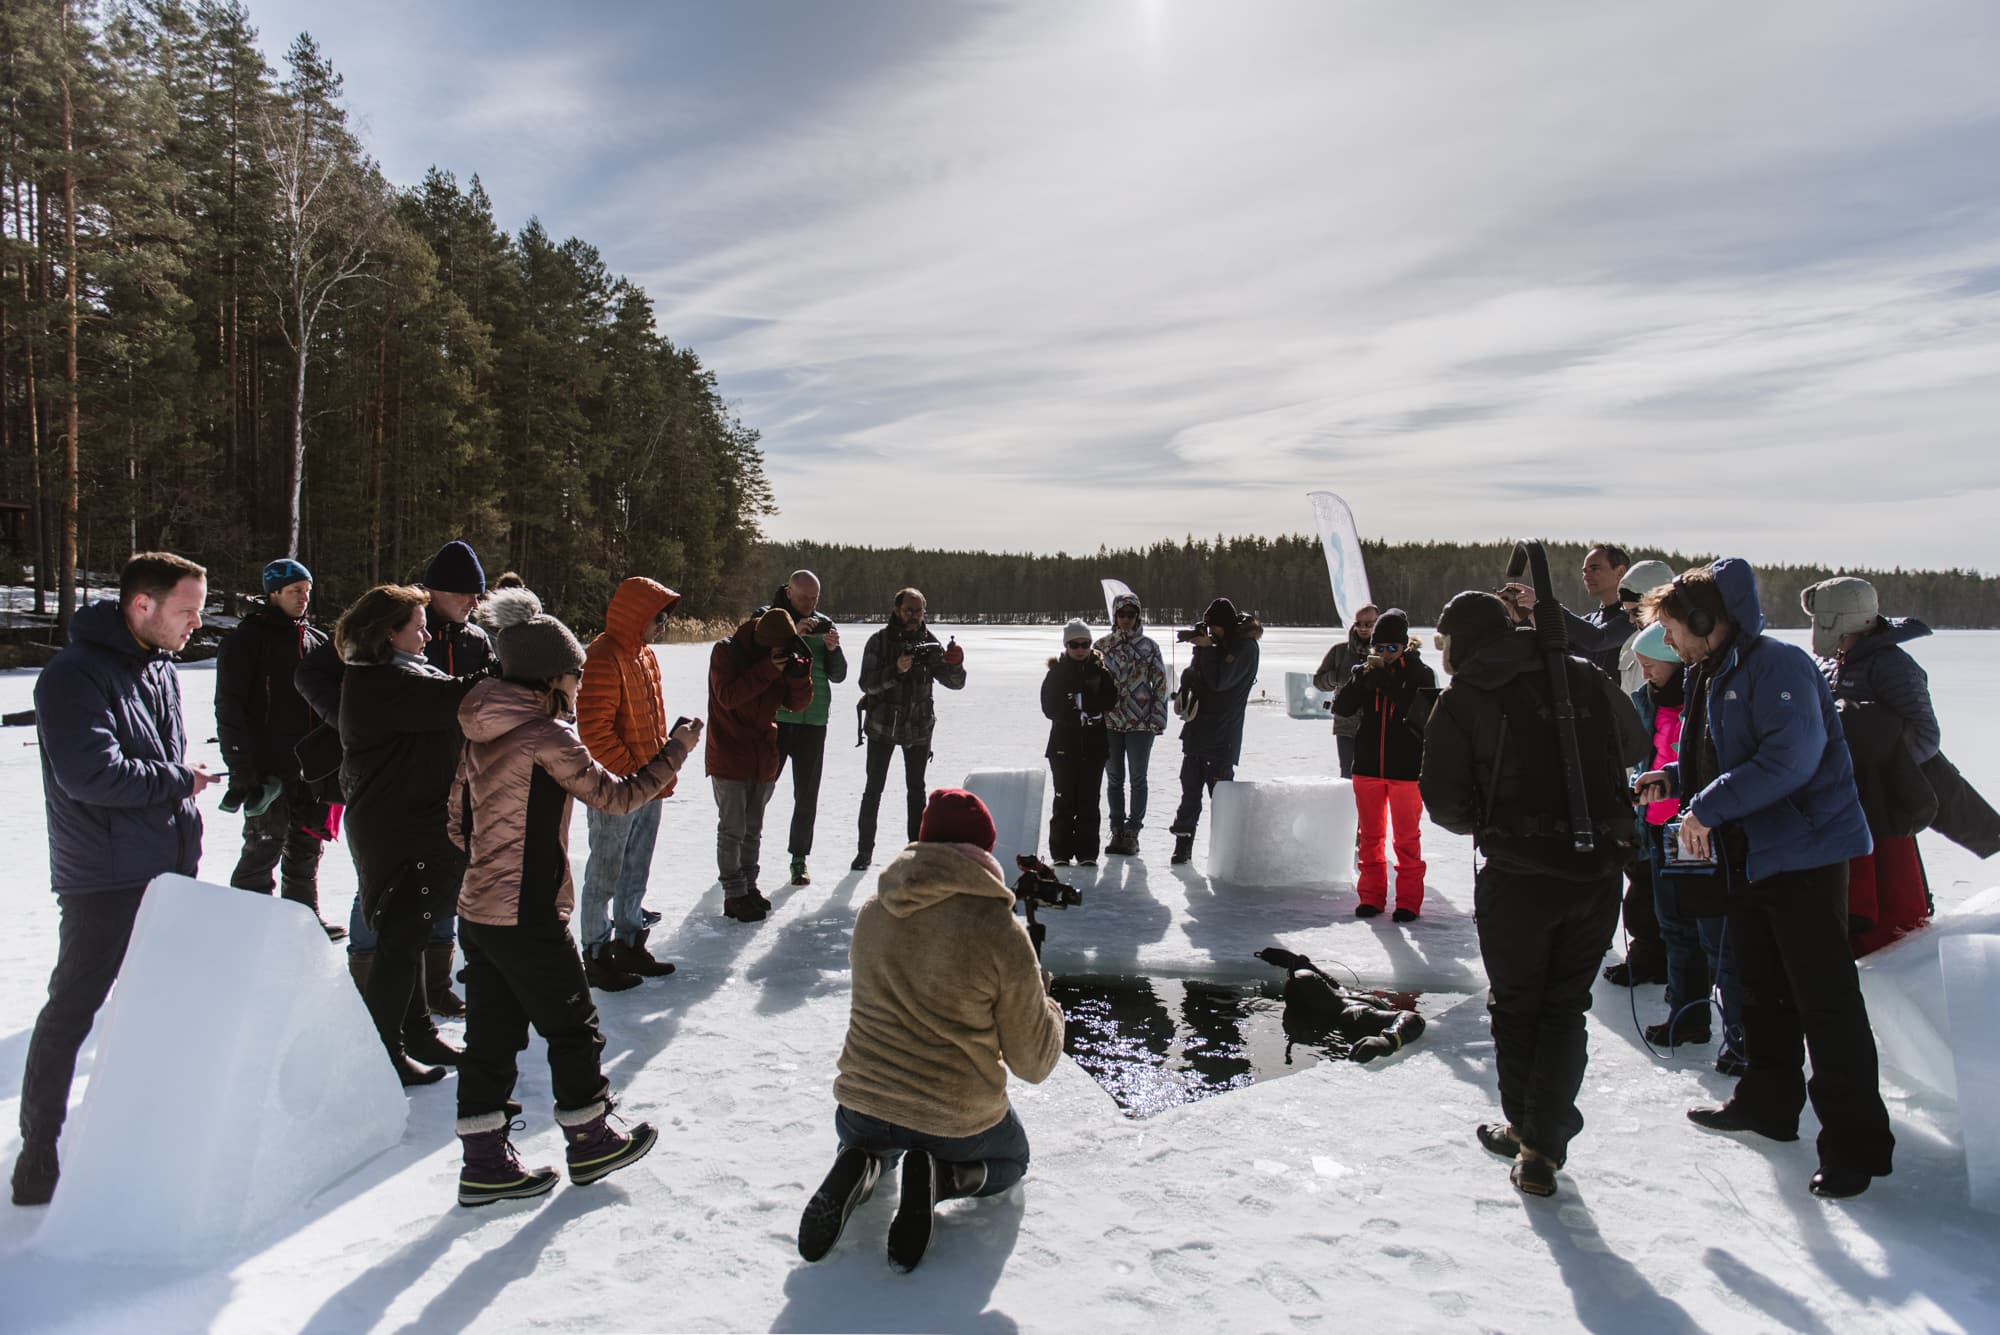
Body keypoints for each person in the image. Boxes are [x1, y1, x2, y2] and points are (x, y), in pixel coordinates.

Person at [1636, 560, 1893, 1199]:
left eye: (1675, 632)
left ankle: (1855, 1147)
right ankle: (1768, 1104)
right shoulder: (1713, 669)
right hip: (1749, 852)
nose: (1672, 647)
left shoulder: (1776, 665)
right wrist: (1672, 774)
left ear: (1706, 621)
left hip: (1803, 853)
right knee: (1762, 989)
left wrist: (1705, 806)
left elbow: (1789, 759)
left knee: (1825, 1002)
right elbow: (1718, 749)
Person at [449, 589, 695, 1207]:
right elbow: (616, 796)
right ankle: (590, 1139)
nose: (580, 685)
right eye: (575, 675)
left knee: (491, 1034)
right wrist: (676, 752)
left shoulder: (480, 726)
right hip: (526, 909)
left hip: (478, 907)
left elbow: (456, 821)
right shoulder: (545, 735)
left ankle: (483, 1164)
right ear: (551, 677)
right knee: (573, 1024)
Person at [1420, 590, 1649, 1198]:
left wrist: (1494, 815)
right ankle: (1542, 1139)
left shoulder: (1465, 698)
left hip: (1519, 877)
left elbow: (1443, 800)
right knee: (1563, 1008)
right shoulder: (1581, 674)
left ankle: (1530, 1136)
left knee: (1519, 1007)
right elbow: (1635, 743)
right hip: (1596, 872)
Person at [13, 553, 218, 1207]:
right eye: (186, 610)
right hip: (103, 880)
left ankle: (149, 1142)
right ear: (142, 606)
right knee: (73, 1008)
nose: (197, 623)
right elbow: (91, 775)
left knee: (168, 1010)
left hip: (166, 868)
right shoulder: (71, 676)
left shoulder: (156, 666)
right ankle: (39, 1151)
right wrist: (179, 780)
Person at [798, 789, 1064, 1272]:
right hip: (956, 1120)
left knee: (875, 1131)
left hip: (862, 1105)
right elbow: (1033, 1063)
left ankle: (864, 1162)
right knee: (1012, 1162)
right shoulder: (1001, 931)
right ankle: (944, 1178)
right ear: (985, 852)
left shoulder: (874, 912)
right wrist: (1046, 1001)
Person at [337, 584, 482, 1086]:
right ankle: (384, 1053)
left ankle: (416, 1031)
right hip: (395, 828)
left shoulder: (402, 672)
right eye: (416, 625)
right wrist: (519, 664)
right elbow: (456, 697)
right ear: (387, 633)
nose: (426, 633)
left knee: (412, 932)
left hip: (408, 820)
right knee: (401, 939)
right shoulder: (382, 680)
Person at [1628, 621, 1747, 1072]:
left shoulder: (1704, 703)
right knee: (1673, 927)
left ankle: (1738, 1034)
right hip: (1659, 830)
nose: (1645, 675)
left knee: (1714, 937)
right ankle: (1688, 1015)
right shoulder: (1647, 703)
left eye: (1651, 665)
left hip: (1695, 831)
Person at [1803, 576, 1939, 956]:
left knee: (1891, 912)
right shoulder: (1829, 661)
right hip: (1838, 803)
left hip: (1880, 807)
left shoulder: (1893, 665)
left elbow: (1926, 735)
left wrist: (1874, 753)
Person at [216, 558, 342, 940]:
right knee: (264, 845)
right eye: (294, 591)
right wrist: (240, 765)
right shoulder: (246, 640)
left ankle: (302, 922)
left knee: (306, 846)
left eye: (307, 591)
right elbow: (229, 706)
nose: (304, 598)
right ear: (273, 594)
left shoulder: (315, 640)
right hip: (268, 764)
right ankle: (248, 927)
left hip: (313, 767)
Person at [575, 576, 682, 991]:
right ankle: (596, 954)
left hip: (649, 785)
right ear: (637, 615)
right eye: (659, 617)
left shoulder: (645, 657)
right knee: (604, 872)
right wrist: (634, 778)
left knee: (635, 870)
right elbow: (595, 732)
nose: (663, 626)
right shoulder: (602, 657)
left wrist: (661, 766)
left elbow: (649, 723)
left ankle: (629, 941)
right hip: (615, 789)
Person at [708, 607, 815, 922]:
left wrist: (799, 677)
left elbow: (796, 705)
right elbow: (728, 696)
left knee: (753, 829)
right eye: (774, 649)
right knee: (732, 830)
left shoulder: (781, 654)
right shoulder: (726, 653)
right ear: (763, 642)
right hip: (729, 754)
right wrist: (768, 668)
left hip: (763, 754)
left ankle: (749, 886)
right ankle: (733, 893)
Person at [1331, 609, 1435, 921]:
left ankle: (1408, 901)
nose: (1386, 654)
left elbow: (1421, 716)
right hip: (1367, 767)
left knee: (1406, 839)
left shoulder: (1421, 673)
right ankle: (1372, 896)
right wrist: (1359, 682)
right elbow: (1343, 708)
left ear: (1406, 646)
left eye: (1393, 648)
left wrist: (1388, 685)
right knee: (1370, 837)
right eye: (1380, 648)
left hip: (1405, 770)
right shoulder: (1365, 671)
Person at [852, 588, 966, 870]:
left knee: (916, 790)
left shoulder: (931, 643)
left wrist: (955, 664)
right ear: (896, 610)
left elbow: (955, 683)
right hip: (882, 727)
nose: (914, 616)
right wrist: (896, 670)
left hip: (918, 728)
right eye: (908, 611)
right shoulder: (879, 642)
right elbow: (866, 683)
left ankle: (917, 850)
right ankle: (864, 852)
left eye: (919, 611)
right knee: (873, 790)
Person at [1167, 598, 1262, 865]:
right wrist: (1198, 657)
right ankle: (1182, 845)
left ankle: (1230, 853)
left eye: (1215, 628)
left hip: (1223, 738)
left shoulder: (1245, 648)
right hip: (1197, 734)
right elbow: (1197, 679)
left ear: (1227, 626)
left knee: (1222, 802)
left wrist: (1207, 650)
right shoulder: (1217, 647)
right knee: (1189, 794)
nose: (1212, 633)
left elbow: (1221, 682)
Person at [767, 571, 848, 887]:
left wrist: (832, 649)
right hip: (777, 718)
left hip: (813, 721)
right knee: (760, 789)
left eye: (815, 599)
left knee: (807, 795)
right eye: (804, 598)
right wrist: (792, 636)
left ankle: (798, 860)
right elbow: (755, 661)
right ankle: (744, 855)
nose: (810, 604)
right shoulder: (769, 619)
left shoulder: (824, 623)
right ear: (789, 593)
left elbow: (839, 675)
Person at [1095, 593, 1169, 856]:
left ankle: (1132, 832)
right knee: (1114, 779)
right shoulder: (1102, 646)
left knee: (1138, 778)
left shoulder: (1149, 647)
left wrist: (1158, 717)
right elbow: (1092, 685)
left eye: (1131, 614)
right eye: (1121, 614)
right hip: (1111, 722)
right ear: (1114, 616)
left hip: (1141, 723)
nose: (1126, 619)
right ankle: (1116, 830)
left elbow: (1160, 684)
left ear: (1138, 616)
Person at [1041, 620, 1119, 866]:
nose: (1080, 649)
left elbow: (1111, 698)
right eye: (1074, 644)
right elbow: (1049, 706)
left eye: (1085, 644)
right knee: (1064, 800)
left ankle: (1087, 853)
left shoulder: (1100, 670)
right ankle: (1061, 853)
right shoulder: (1056, 673)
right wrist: (1075, 712)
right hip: (1063, 747)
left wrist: (1089, 706)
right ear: (1066, 645)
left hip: (1094, 748)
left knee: (1088, 800)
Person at [1504, 543, 1638, 679]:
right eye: (1584, 571)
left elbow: (1597, 639)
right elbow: (1555, 650)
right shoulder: (1589, 621)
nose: (1586, 576)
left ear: (1620, 572)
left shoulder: (1635, 619)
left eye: (1594, 568)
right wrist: (1524, 617)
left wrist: (1545, 604)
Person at [1313, 604, 1378, 779]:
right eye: (1359, 624)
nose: (1363, 628)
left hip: (1376, 726)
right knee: (1347, 776)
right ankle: (1348, 806)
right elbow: (1318, 681)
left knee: (1373, 777)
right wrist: (1335, 677)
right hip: (1346, 725)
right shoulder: (1339, 651)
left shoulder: (1386, 652)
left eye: (1369, 624)